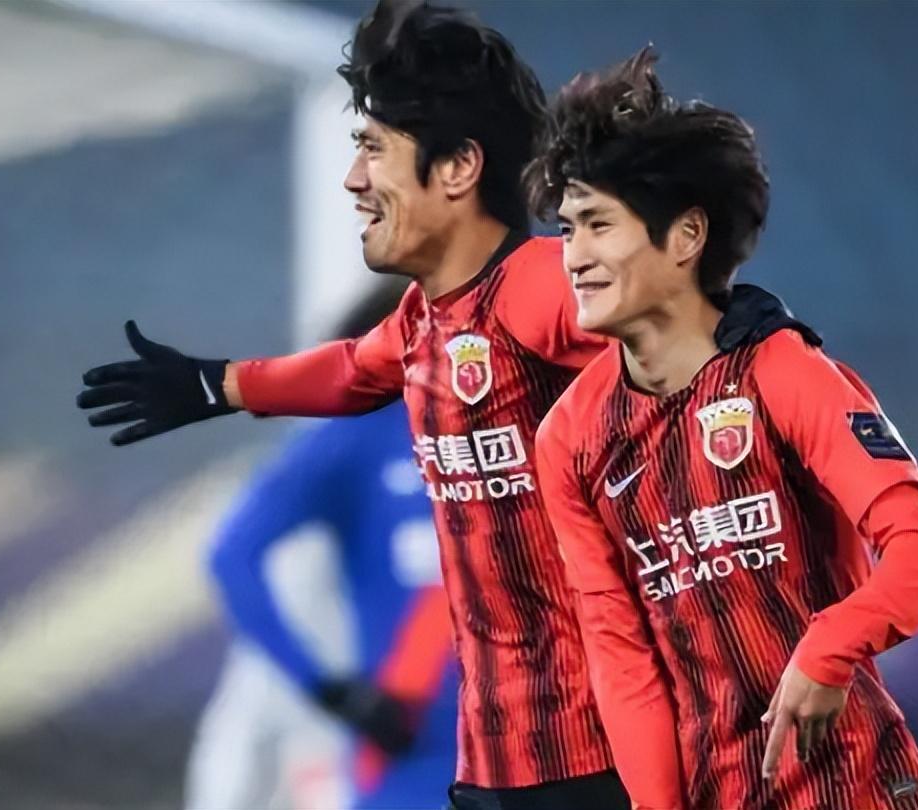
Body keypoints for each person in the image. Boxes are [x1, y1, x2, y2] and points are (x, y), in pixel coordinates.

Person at [76, 2, 629, 807]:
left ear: (458, 168)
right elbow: (239, 544)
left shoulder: (566, 345)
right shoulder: (383, 400)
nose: (354, 179)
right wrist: (333, 691)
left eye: (376, 149)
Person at [528, 48, 918, 810]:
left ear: (686, 235)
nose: (575, 258)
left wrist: (830, 647)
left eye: (598, 225)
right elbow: (621, 656)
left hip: (851, 782)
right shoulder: (571, 438)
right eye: (568, 231)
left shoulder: (784, 372)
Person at [185, 282, 457, 810]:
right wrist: (329, 690)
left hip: (537, 759)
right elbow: (232, 555)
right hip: (411, 766)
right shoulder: (360, 432)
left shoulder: (546, 419)